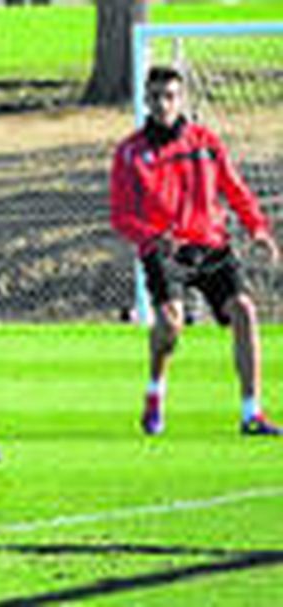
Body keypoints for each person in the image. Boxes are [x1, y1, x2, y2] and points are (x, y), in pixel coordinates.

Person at [110, 66, 281, 437]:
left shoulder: (205, 144)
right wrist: (154, 235)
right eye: (155, 97)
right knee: (170, 324)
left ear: (181, 99)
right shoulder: (130, 153)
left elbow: (235, 189)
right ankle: (155, 391)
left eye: (169, 96)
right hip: (165, 250)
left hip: (211, 246)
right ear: (145, 100)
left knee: (245, 311)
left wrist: (258, 229)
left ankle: (251, 412)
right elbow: (120, 216)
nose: (162, 104)